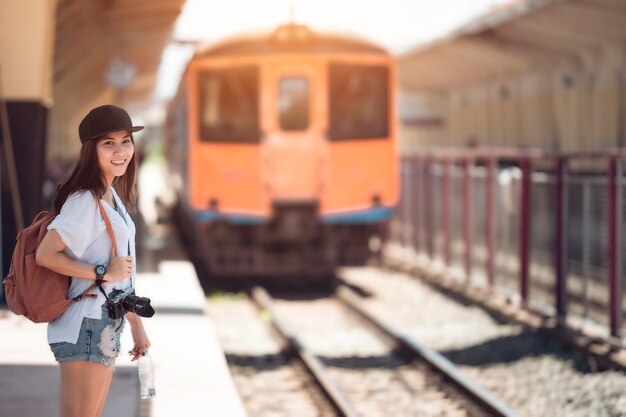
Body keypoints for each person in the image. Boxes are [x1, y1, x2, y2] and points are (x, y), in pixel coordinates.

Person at [35, 104, 151, 417]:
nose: (120, 151)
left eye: (125, 141)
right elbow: (46, 254)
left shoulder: (111, 196)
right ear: (91, 150)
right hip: (86, 323)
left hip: (103, 322)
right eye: (108, 143)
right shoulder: (85, 199)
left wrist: (135, 322)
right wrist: (102, 271)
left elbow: (121, 278)